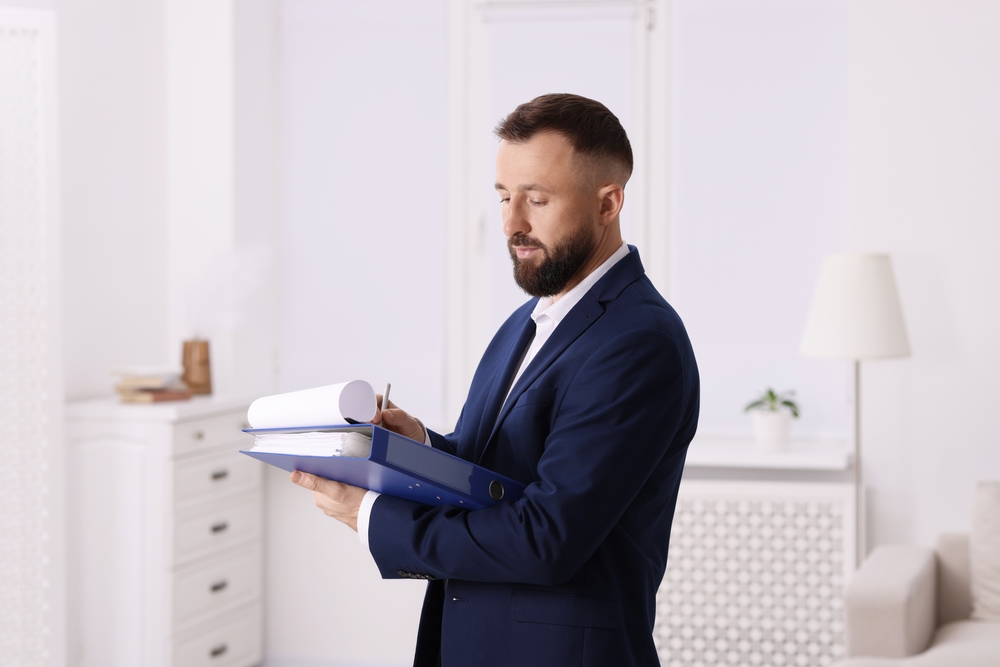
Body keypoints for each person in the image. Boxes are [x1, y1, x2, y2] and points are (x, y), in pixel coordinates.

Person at [291, 93, 700, 666]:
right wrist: (423, 448)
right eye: (505, 197)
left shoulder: (639, 342)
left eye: (537, 199)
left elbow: (545, 538)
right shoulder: (529, 319)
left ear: (609, 204)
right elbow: (503, 476)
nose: (512, 223)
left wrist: (369, 516)